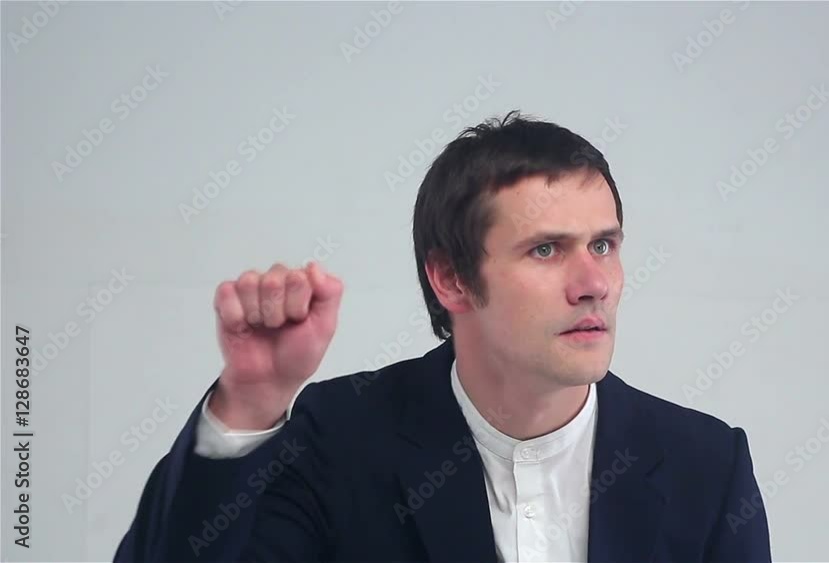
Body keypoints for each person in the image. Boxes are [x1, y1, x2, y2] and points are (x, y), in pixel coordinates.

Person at [114, 110, 771, 562]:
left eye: (603, 244)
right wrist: (249, 401)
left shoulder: (707, 467)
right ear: (451, 279)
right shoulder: (338, 439)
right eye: (546, 250)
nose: (593, 282)